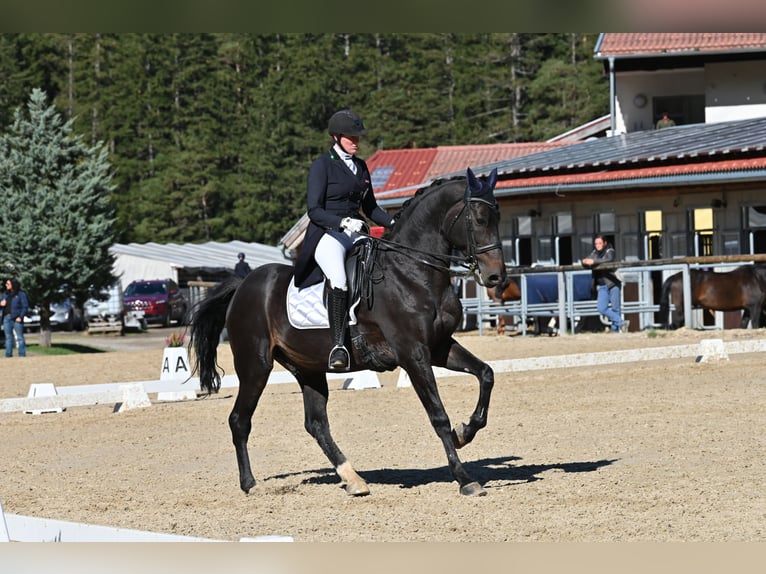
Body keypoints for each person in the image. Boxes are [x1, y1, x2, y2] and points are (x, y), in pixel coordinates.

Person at [293, 109, 395, 371]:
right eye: (351, 137)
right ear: (336, 137)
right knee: (339, 279)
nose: (356, 141)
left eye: (358, 137)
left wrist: (394, 222)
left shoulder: (360, 166)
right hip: (328, 234)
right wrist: (342, 222)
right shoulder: (322, 165)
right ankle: (338, 345)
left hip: (357, 232)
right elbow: (314, 210)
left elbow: (370, 207)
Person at [581, 234, 624, 333]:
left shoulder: (610, 251)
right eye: (596, 243)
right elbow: (587, 260)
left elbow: (608, 260)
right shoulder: (594, 252)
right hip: (602, 285)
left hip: (613, 283)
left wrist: (593, 261)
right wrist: (584, 261)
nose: (598, 245)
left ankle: (615, 331)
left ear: (605, 243)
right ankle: (620, 322)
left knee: (615, 308)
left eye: (600, 243)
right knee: (601, 308)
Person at [1, 277, 29, 357]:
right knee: (8, 337)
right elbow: (1, 304)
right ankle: (8, 354)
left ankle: (22, 354)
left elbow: (25, 306)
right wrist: (1, 304)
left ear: (13, 285)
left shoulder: (21, 294)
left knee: (20, 337)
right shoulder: (5, 294)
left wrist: (20, 316)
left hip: (17, 318)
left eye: (8, 284)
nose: (6, 285)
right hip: (7, 318)